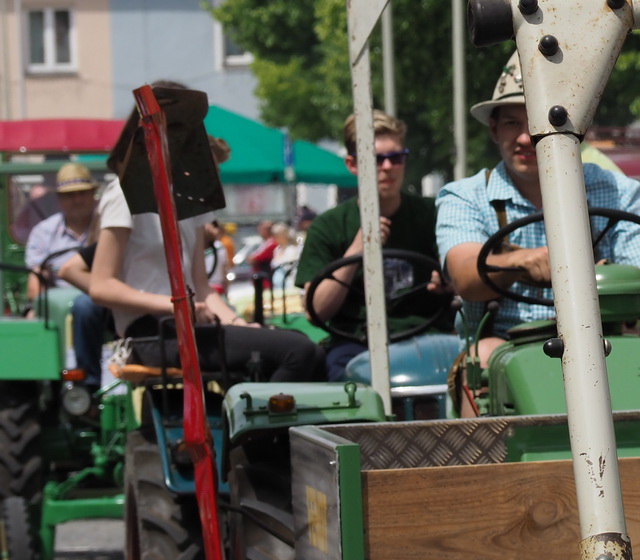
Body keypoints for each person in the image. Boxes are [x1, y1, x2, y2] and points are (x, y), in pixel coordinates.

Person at [436, 53, 640, 365]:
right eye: (512, 123)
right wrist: (523, 261)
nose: (526, 137)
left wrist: (595, 277)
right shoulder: (465, 196)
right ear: (494, 130)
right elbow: (466, 278)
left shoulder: (621, 191)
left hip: (609, 344)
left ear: (575, 128)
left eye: (540, 122)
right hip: (507, 346)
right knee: (481, 355)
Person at [87, 141, 320, 384]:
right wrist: (175, 305)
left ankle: (249, 415)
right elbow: (101, 287)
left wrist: (239, 323)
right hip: (150, 335)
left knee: (312, 349)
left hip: (185, 330)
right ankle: (262, 420)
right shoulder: (127, 191)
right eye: (211, 169)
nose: (216, 178)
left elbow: (202, 289)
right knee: (297, 351)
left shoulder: (192, 207)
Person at [297, 110, 454, 380]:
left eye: (396, 158)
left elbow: (464, 277)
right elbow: (316, 312)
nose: (388, 167)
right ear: (352, 164)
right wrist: (359, 247)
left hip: (429, 335)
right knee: (345, 390)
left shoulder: (433, 213)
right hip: (355, 343)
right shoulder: (329, 226)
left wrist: (449, 282)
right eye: (376, 159)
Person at [25, 162, 108, 387]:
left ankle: (89, 385)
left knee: (86, 306)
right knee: (32, 323)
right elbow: (36, 284)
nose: (77, 200)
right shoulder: (44, 232)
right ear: (59, 199)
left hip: (104, 300)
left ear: (94, 195)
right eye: (70, 195)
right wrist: (40, 308)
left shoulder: (109, 229)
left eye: (82, 193)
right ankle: (41, 391)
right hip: (58, 305)